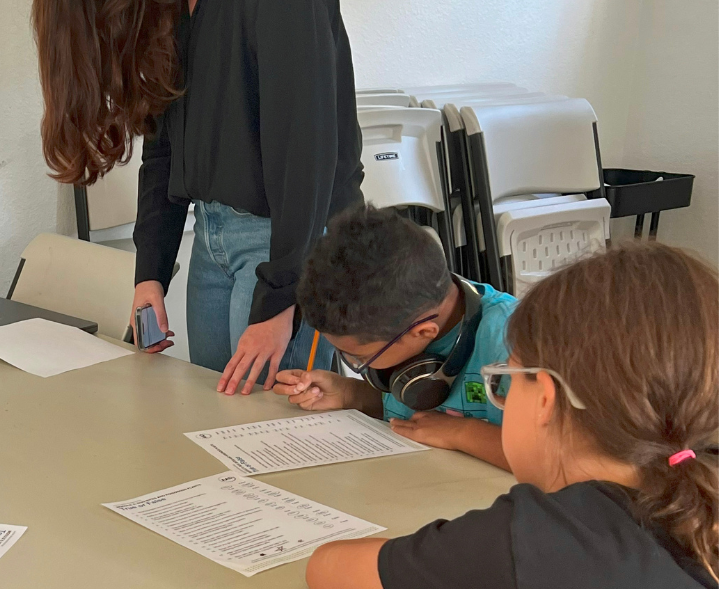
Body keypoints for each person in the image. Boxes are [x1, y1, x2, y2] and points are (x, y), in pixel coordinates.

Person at [32, 0, 361, 394]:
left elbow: (307, 151)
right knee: (218, 443)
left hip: (291, 244)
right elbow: (163, 137)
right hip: (210, 241)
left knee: (277, 451)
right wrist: (151, 272)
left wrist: (283, 297)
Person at [306, 242, 719, 589]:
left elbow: (327, 568)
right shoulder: (694, 504)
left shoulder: (534, 538)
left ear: (543, 395)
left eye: (507, 379)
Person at [272, 204, 515, 469]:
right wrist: (350, 394)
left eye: (360, 358)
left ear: (422, 333)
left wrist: (461, 433)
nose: (357, 365)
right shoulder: (409, 308)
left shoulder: (515, 341)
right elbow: (410, 410)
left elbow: (560, 456)